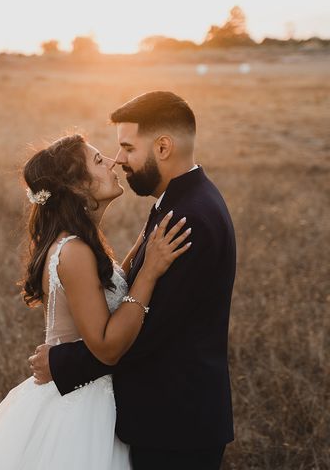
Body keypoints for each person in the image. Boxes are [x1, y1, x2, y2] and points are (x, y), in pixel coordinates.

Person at [29, 91, 237, 469]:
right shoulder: (174, 205)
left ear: (162, 147)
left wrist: (64, 363)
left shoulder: (188, 219)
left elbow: (150, 330)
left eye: (127, 147)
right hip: (161, 418)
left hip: (177, 426)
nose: (118, 158)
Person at [0, 133, 191, 470]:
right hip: (80, 407)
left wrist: (144, 242)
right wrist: (150, 272)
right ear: (78, 187)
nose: (113, 162)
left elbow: (109, 285)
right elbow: (107, 346)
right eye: (98, 161)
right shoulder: (74, 252)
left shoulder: (77, 243)